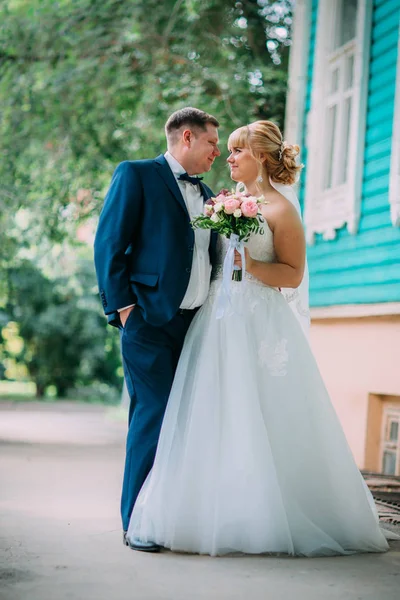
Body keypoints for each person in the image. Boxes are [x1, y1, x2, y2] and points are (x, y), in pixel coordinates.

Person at [126, 120, 390, 557]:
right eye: (225, 149)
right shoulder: (226, 203)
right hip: (216, 320)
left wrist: (251, 268)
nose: (227, 158)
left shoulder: (282, 211)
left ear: (260, 157)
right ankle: (207, 508)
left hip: (261, 323)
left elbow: (293, 273)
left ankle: (270, 513)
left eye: (235, 151)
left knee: (264, 412)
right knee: (213, 412)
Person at [94, 107, 221, 552]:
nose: (216, 153)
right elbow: (109, 244)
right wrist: (125, 310)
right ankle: (137, 523)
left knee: (185, 420)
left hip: (195, 325)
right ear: (186, 137)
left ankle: (167, 515)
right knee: (154, 414)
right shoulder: (136, 175)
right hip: (147, 321)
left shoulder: (209, 196)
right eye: (211, 143)